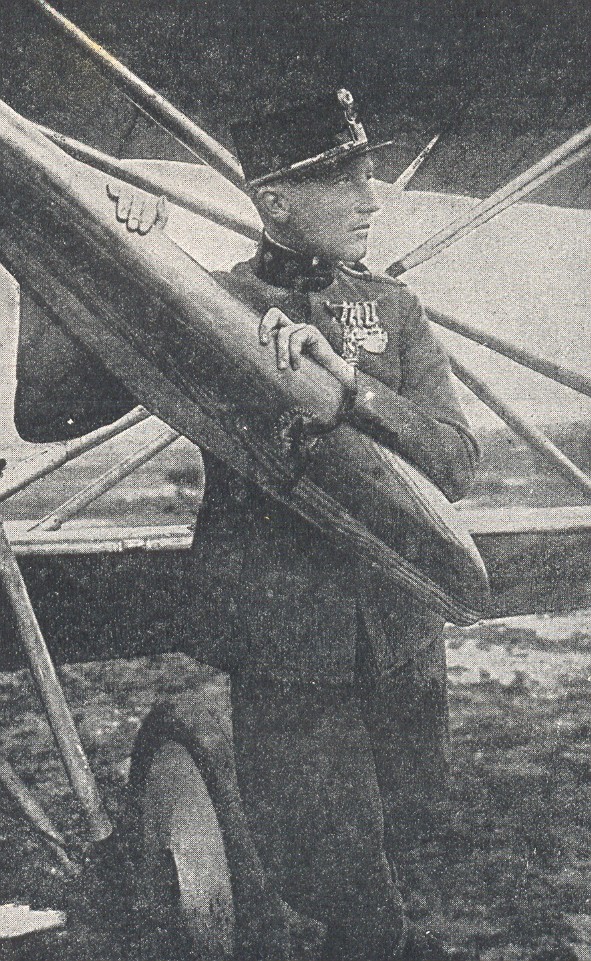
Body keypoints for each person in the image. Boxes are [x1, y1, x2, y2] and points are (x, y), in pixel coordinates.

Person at [14, 89, 478, 960]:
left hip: (402, 641)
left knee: (412, 841)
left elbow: (455, 462)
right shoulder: (207, 303)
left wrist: (351, 390)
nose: (369, 199)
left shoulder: (395, 310)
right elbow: (47, 412)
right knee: (337, 889)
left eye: (367, 175)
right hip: (286, 649)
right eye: (341, 180)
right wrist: (82, 254)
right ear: (275, 200)